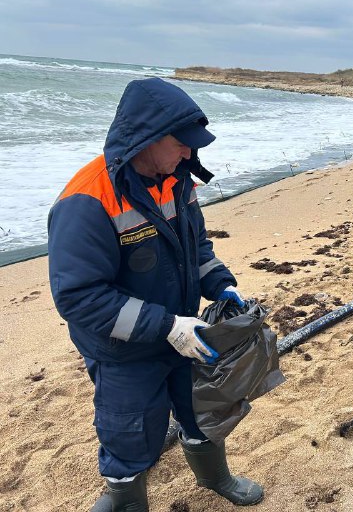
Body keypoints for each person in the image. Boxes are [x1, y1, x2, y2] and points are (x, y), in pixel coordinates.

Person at [48, 78, 263, 510]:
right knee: (129, 436)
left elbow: (196, 247)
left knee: (201, 409)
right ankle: (126, 500)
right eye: (181, 143)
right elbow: (78, 297)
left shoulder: (177, 179)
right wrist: (166, 326)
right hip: (123, 351)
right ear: (147, 139)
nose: (188, 153)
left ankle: (215, 477)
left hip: (185, 333)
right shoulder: (86, 201)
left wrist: (220, 284)